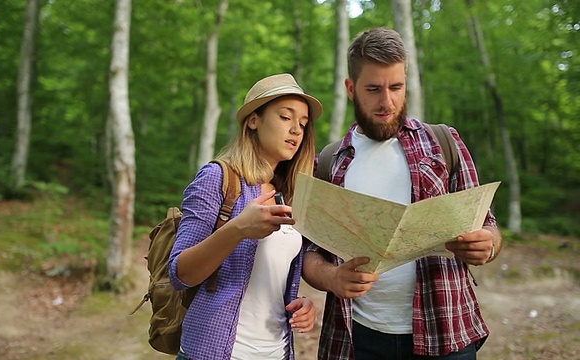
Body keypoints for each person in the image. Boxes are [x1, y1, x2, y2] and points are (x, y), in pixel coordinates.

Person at [301, 27, 503, 360]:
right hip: (358, 338)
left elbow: (489, 226)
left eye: (396, 87)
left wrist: (488, 244)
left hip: (446, 331)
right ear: (351, 89)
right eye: (373, 89)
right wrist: (333, 277)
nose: (387, 101)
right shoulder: (328, 162)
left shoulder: (443, 143)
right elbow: (310, 250)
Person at [168, 73, 323, 360]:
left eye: (302, 124)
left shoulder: (290, 195)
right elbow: (180, 274)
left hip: (278, 352)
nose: (296, 130)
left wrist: (299, 304)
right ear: (253, 120)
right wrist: (238, 229)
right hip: (216, 351)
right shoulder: (218, 178)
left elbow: (269, 280)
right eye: (285, 117)